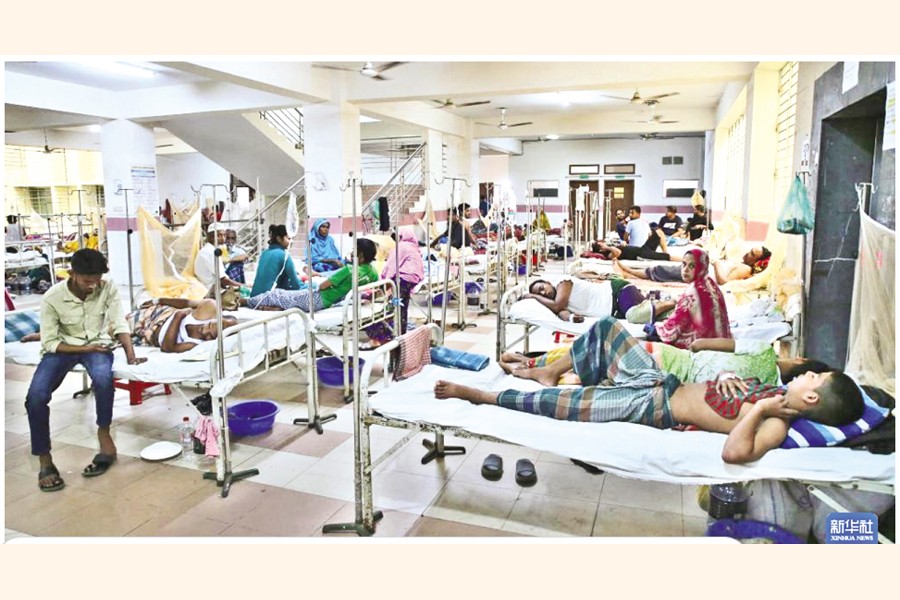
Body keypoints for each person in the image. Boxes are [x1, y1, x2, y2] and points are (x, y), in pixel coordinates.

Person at [434, 317, 864, 465]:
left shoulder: (776, 424)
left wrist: (759, 407)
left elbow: (734, 452)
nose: (805, 375)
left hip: (652, 406)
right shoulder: (773, 389)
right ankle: (549, 370)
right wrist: (729, 383)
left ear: (811, 398)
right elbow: (721, 394)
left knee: (565, 405)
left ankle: (483, 396)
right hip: (662, 381)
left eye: (813, 379)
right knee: (606, 328)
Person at [25, 249, 147, 492]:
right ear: (72, 274)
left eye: (96, 280)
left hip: (97, 346)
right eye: (87, 280)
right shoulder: (52, 297)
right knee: (35, 398)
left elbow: (118, 322)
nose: (93, 286)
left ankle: (104, 435)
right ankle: (45, 460)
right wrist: (86, 346)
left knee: (103, 379)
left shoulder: (107, 287)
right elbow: (49, 342)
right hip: (61, 348)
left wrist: (131, 355)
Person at [501, 327, 831, 388]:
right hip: (672, 379)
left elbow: (703, 344)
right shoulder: (769, 389)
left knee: (603, 332)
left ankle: (538, 367)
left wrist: (695, 345)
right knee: (600, 354)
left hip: (667, 362)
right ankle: (534, 365)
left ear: (799, 360)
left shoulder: (762, 349)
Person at [21, 298, 240, 353]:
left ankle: (44, 335)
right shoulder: (209, 308)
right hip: (150, 315)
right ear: (215, 318)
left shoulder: (194, 345)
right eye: (213, 325)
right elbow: (185, 303)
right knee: (94, 328)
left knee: (94, 335)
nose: (208, 331)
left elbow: (168, 347)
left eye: (213, 335)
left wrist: (177, 319)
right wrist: (157, 300)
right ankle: (45, 332)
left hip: (144, 332)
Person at [248, 238, 379, 312]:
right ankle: (274, 308)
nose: (351, 252)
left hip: (319, 299)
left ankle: (247, 301)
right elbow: (377, 290)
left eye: (354, 251)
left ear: (360, 257)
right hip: (331, 300)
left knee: (278, 294)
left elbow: (323, 286)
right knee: (289, 298)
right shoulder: (372, 272)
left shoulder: (349, 269)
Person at [646, 248, 731, 350]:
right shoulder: (711, 284)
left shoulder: (692, 292)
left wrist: (657, 327)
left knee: (651, 333)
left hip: (703, 343)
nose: (685, 269)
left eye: (692, 266)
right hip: (721, 341)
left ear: (701, 267)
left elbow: (673, 328)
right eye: (684, 264)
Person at [363, 226, 425, 348]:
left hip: (402, 281)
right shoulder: (414, 247)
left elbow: (392, 265)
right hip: (409, 282)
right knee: (402, 306)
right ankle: (400, 334)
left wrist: (384, 280)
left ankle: (387, 336)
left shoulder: (402, 247)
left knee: (393, 307)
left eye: (398, 237)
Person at [525, 276, 676, 325]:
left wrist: (534, 296)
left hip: (617, 292)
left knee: (634, 316)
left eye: (542, 288)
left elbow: (559, 306)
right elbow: (562, 313)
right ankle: (668, 305)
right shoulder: (556, 303)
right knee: (656, 316)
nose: (544, 293)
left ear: (547, 282)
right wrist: (571, 318)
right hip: (616, 311)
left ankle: (670, 302)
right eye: (541, 294)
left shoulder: (563, 283)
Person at [250, 224, 305, 297]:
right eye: (288, 238)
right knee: (312, 287)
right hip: (267, 298)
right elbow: (296, 285)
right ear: (279, 238)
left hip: (254, 296)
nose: (291, 241)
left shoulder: (265, 253)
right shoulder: (284, 255)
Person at [194, 223, 243, 291]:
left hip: (214, 288)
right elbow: (223, 280)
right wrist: (243, 286)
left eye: (224, 235)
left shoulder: (210, 250)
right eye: (221, 235)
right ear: (213, 237)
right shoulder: (211, 252)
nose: (223, 238)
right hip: (212, 291)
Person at [591, 224, 670, 261]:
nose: (603, 243)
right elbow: (617, 252)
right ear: (601, 249)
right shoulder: (608, 254)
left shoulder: (610, 249)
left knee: (658, 232)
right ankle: (680, 259)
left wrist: (623, 244)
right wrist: (607, 247)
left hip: (642, 249)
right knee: (668, 257)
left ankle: (665, 251)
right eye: (600, 244)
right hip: (642, 255)